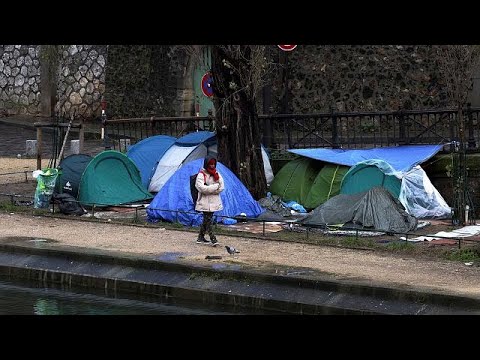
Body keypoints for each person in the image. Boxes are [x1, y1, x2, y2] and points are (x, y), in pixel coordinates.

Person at [195, 156, 225, 245]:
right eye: (210, 164)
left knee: (206, 219)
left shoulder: (217, 174)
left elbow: (221, 187)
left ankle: (200, 237)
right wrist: (214, 187)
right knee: (208, 220)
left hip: (214, 201)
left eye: (213, 164)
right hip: (204, 201)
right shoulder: (201, 174)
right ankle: (213, 239)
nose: (212, 166)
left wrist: (210, 189)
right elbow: (201, 188)